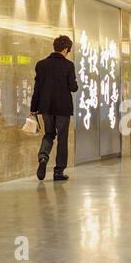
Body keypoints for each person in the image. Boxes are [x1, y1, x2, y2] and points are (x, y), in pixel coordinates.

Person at [30, 35, 78, 181]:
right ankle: (59, 171)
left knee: (49, 134)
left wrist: (34, 107)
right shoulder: (68, 65)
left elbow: (37, 88)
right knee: (62, 138)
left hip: (46, 108)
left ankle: (43, 157)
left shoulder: (41, 64)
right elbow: (73, 87)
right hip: (63, 108)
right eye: (68, 51)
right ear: (65, 49)